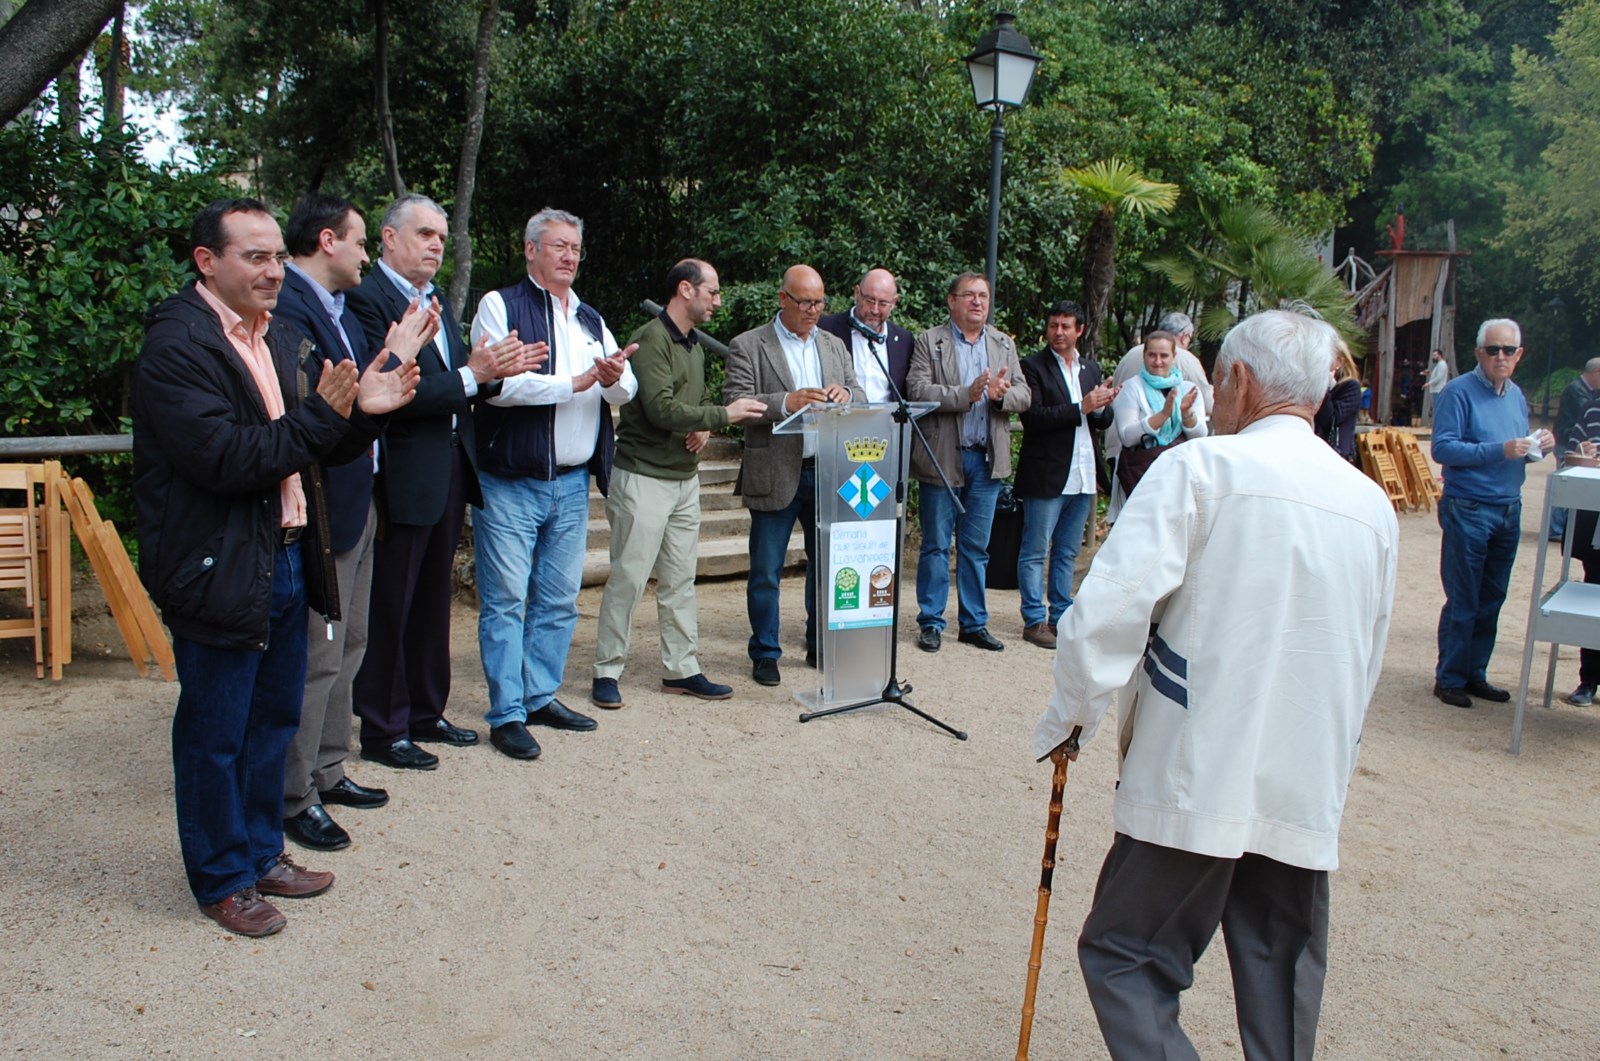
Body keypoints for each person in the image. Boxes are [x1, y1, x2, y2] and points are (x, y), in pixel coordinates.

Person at [1034, 309, 1399, 1060]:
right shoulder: (1370, 504)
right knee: (1281, 980)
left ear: (1238, 379)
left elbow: (1104, 614)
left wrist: (1072, 718)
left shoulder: (1201, 469)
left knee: (1124, 952)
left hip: (1198, 765)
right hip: (1305, 775)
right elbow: (1367, 658)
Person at [132, 198, 421, 936]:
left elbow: (312, 443)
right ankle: (222, 877)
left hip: (287, 557)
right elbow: (227, 459)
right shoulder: (178, 345)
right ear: (208, 261)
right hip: (219, 566)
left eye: (275, 258)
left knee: (270, 724)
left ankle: (262, 851)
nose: (272, 270)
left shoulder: (278, 334)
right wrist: (330, 416)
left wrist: (367, 411)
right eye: (253, 257)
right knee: (215, 733)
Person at [347, 194, 539, 771]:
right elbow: (387, 393)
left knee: (432, 603)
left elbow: (458, 382)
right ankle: (383, 727)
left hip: (451, 468)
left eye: (441, 237)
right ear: (387, 238)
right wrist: (470, 374)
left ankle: (426, 712)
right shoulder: (366, 301)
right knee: (392, 604)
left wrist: (489, 374)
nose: (436, 245)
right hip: (401, 473)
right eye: (425, 234)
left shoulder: (432, 300)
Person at [275, 194, 430, 850]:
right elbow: (315, 405)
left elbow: (362, 395)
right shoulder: (290, 309)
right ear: (327, 240)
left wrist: (390, 358)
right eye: (361, 240)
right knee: (317, 651)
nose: (366, 253)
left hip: (358, 494)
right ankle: (293, 792)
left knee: (352, 639)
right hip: (323, 500)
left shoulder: (333, 311)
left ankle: (330, 764)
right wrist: (392, 355)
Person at [467, 209, 637, 759]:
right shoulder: (501, 306)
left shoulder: (589, 317)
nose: (569, 256)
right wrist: (575, 382)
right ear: (530, 250)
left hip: (570, 483)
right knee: (506, 600)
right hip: (510, 481)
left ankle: (541, 695)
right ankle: (507, 712)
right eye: (558, 246)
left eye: (575, 248)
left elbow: (624, 389)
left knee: (560, 600)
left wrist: (611, 379)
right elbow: (498, 386)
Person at [591, 259, 767, 709]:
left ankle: (681, 669)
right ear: (686, 290)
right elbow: (661, 410)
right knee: (629, 579)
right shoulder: (651, 339)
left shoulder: (693, 345)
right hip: (643, 478)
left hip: (683, 480)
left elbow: (692, 404)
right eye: (713, 292)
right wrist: (722, 416)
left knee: (680, 581)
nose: (718, 301)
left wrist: (707, 425)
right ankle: (607, 671)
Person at [724, 264, 860, 686]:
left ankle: (819, 643)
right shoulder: (748, 344)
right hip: (776, 470)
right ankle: (765, 652)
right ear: (783, 298)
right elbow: (734, 401)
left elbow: (858, 391)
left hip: (828, 471)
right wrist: (787, 401)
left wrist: (846, 395)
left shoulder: (834, 345)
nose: (813, 310)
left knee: (827, 567)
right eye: (805, 302)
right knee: (766, 570)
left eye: (820, 302)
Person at [1431, 318, 1555, 709]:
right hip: (1468, 506)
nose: (1500, 357)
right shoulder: (1457, 392)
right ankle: (1449, 677)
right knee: (1464, 597)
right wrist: (1499, 449)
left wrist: (1539, 446)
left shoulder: (1516, 395)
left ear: (1519, 355)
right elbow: (1443, 449)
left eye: (1508, 350)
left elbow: (1516, 449)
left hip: (1507, 508)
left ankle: (1474, 673)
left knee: (1492, 598)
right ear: (1479, 353)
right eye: (1493, 349)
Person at [907, 272, 1031, 653]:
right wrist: (965, 393)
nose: (978, 302)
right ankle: (931, 621)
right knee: (936, 545)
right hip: (944, 456)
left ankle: (974, 623)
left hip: (986, 458)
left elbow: (1024, 394)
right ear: (951, 301)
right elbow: (916, 389)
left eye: (983, 295)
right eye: (969, 295)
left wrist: (998, 397)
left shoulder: (1002, 343)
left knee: (977, 547)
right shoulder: (931, 341)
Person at [1013, 300, 1118, 649]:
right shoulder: (1032, 366)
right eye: (1053, 325)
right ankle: (1033, 618)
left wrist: (1103, 406)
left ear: (1080, 330)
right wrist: (1081, 407)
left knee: (1067, 552)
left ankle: (1060, 616)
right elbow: (1034, 418)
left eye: (1066, 326)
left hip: (1084, 472)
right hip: (1047, 473)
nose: (1058, 332)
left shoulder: (1089, 368)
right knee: (1035, 550)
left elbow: (1099, 422)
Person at [1106, 330, 1208, 521]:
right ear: (1144, 356)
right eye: (1152, 355)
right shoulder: (1131, 387)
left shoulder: (1187, 389)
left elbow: (1200, 437)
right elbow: (1127, 436)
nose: (1158, 361)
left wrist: (1186, 414)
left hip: (1178, 479)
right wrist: (1162, 415)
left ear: (1174, 357)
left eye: (1164, 355)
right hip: (1141, 476)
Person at [818, 268, 913, 403]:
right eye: (869, 300)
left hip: (888, 422)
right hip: (841, 420)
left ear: (894, 303)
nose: (875, 309)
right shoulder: (825, 328)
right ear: (857, 293)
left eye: (883, 303)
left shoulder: (904, 340)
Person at [1561, 409, 1600, 706]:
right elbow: (1568, 458)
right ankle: (1589, 680)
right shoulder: (1592, 412)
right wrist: (1581, 454)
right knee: (1592, 603)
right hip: (1596, 526)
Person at [1548, 358, 1600, 542]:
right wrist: (1580, 450)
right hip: (1566, 438)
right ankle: (1555, 528)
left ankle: (1556, 527)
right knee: (1564, 480)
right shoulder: (1584, 398)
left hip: (1566, 435)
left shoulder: (1582, 391)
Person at [1313, 340, 1362, 465]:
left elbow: (1331, 420)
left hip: (1339, 454)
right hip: (1317, 449)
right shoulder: (1315, 385)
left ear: (1339, 361)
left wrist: (1326, 386)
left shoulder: (1351, 386)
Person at [1421, 349, 1451, 427]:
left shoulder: (1441, 364)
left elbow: (1439, 378)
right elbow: (1437, 375)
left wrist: (1429, 383)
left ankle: (1438, 425)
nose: (1433, 357)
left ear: (1439, 355)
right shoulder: (1440, 365)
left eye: (1435, 355)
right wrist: (1430, 373)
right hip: (1436, 390)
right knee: (1436, 408)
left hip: (1438, 390)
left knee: (1437, 408)